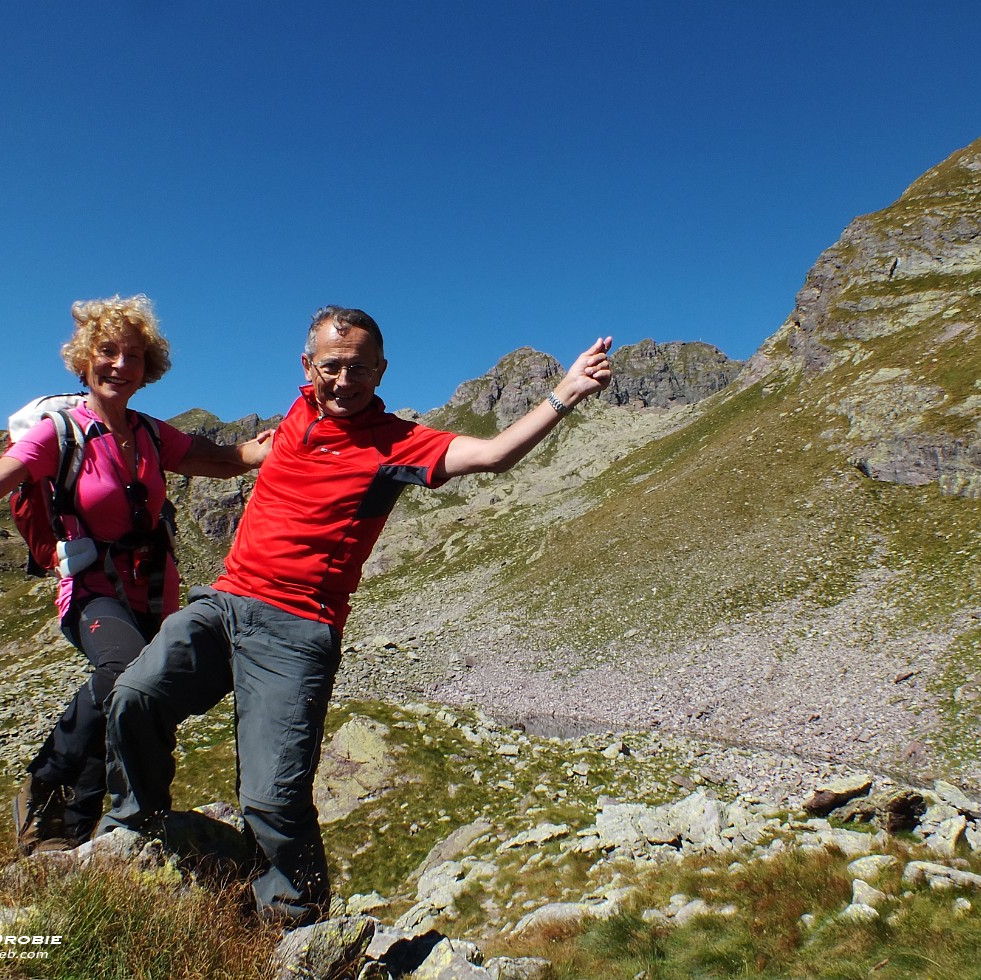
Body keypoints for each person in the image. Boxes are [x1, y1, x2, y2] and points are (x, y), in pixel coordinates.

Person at [97, 305, 613, 923]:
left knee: (271, 800)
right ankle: (137, 829)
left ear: (381, 370)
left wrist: (564, 394)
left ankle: (295, 926)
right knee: (134, 695)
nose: (344, 382)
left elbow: (495, 454)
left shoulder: (399, 442)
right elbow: (229, 450)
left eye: (360, 370)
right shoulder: (296, 412)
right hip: (224, 601)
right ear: (308, 365)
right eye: (332, 367)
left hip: (296, 629)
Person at [0, 294, 272, 852]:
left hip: (154, 592)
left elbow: (226, 458)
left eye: (133, 355)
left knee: (131, 689)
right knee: (125, 673)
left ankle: (72, 825)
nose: (120, 365)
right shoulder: (59, 431)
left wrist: (289, 440)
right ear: (84, 359)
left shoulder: (153, 435)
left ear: (147, 368)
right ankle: (50, 788)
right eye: (108, 351)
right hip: (92, 589)